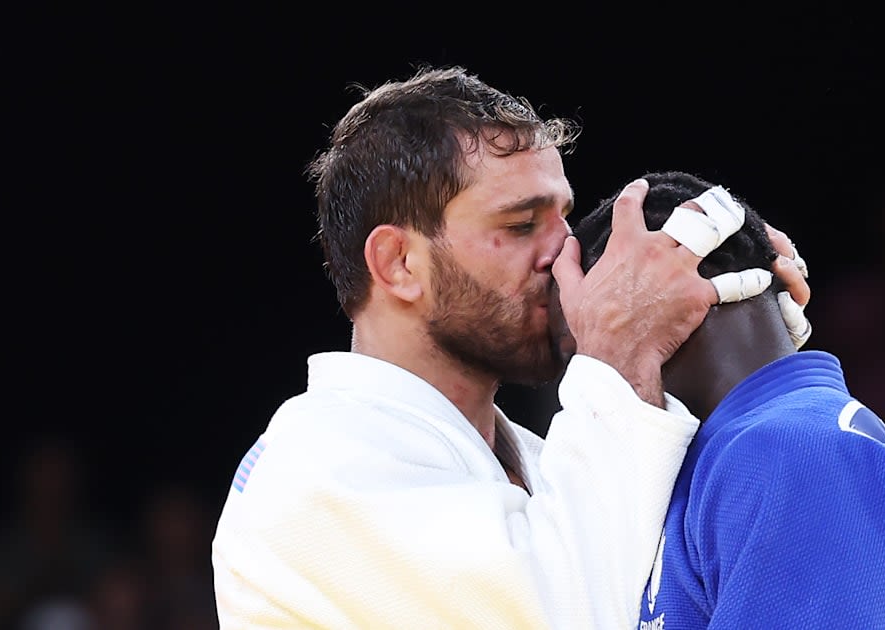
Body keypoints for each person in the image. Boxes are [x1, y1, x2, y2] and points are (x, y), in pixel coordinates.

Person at [210, 66, 813, 629]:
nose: (567, 252)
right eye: (521, 226)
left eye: (563, 219)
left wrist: (737, 340)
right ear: (398, 264)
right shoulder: (315, 472)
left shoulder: (538, 457)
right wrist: (623, 352)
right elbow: (576, 614)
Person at [560, 170, 885, 629]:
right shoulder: (757, 449)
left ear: (696, 270)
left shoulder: (791, 451)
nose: (589, 347)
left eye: (603, 311)